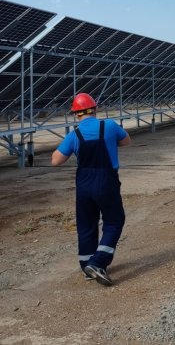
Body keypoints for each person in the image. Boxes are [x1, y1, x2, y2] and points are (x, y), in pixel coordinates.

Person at [52, 92, 131, 286]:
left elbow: (56, 160)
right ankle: (98, 262)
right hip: (106, 181)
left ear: (76, 114)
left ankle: (87, 267)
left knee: (86, 225)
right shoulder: (110, 126)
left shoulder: (74, 135)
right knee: (114, 221)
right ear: (95, 110)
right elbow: (126, 141)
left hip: (84, 185)